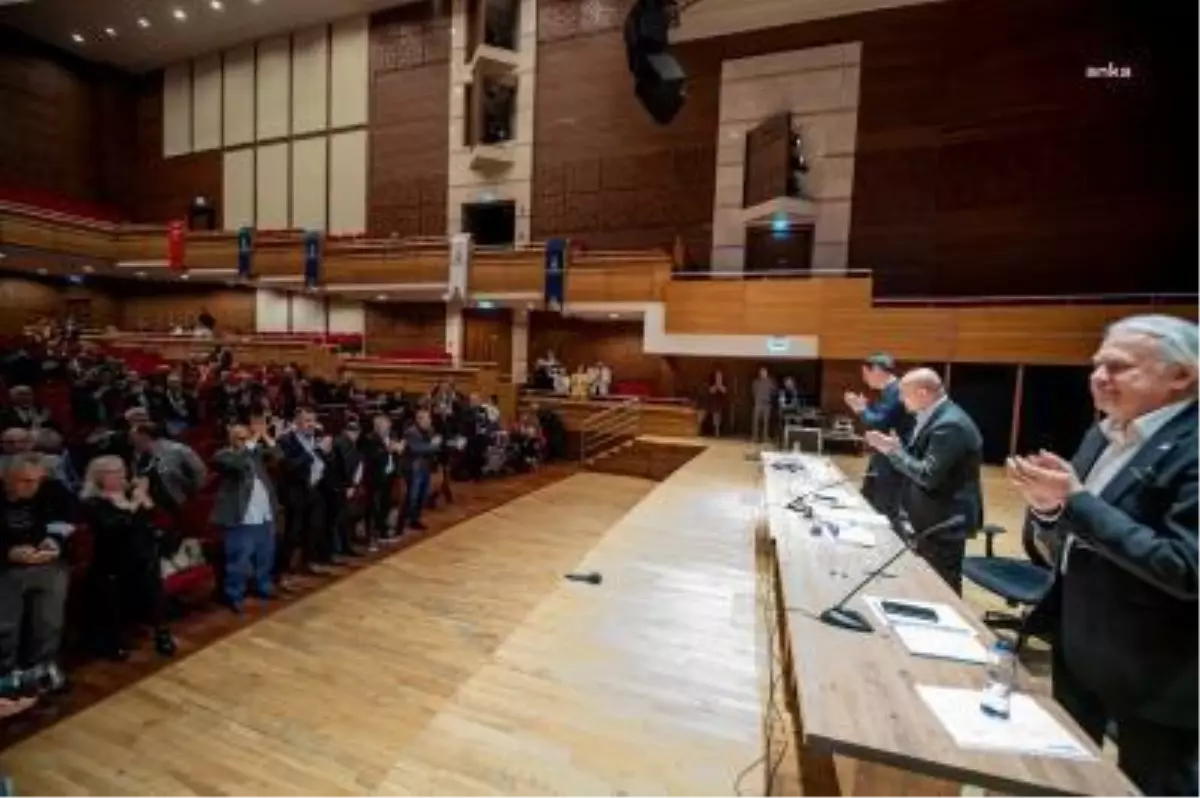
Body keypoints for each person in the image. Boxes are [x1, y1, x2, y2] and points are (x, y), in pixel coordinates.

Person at [1009, 314, 1200, 797]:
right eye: (1097, 365)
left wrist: (1076, 502)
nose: (1099, 377)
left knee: (1154, 784)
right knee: (1067, 773)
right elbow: (1084, 527)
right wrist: (1051, 510)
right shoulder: (1104, 432)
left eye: (1119, 367)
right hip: (1081, 641)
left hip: (1157, 669)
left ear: (1182, 375)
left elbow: (1185, 567)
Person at [864, 368, 983, 595]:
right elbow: (921, 458)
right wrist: (897, 448)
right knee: (928, 584)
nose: (900, 399)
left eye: (903, 393)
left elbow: (928, 475)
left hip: (945, 521)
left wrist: (893, 453)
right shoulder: (935, 417)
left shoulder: (950, 424)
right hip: (931, 516)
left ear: (922, 393)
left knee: (942, 589)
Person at [80, 456, 176, 659]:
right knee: (114, 591)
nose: (121, 476)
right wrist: (135, 503)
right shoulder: (93, 502)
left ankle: (163, 633)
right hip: (113, 560)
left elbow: (160, 519)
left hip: (143, 555)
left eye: (122, 470)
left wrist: (146, 500)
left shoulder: (131, 493)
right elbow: (115, 526)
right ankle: (112, 642)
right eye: (113, 472)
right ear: (98, 477)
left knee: (153, 584)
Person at [0, 454, 69, 693]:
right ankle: (6, 678)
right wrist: (9, 553)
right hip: (6, 569)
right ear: (6, 479)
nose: (32, 487)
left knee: (50, 620)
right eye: (24, 481)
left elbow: (68, 517)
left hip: (43, 562)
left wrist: (54, 541)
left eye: (36, 481)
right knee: (6, 625)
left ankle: (43, 669)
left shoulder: (46, 493)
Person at [211, 420, 279, 611]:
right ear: (231, 439)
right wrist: (252, 442)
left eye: (246, 437)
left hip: (264, 515)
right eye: (240, 438)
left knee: (266, 556)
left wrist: (265, 436)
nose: (245, 441)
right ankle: (234, 595)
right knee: (238, 561)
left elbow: (278, 456)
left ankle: (263, 587)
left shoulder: (255, 454)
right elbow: (239, 463)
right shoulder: (223, 456)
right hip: (241, 518)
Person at [844, 353, 913, 527]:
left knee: (886, 510)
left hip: (892, 460)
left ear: (876, 370)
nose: (864, 378)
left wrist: (860, 409)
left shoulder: (896, 391)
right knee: (869, 499)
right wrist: (866, 408)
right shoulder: (890, 391)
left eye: (865, 373)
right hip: (883, 456)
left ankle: (896, 548)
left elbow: (878, 422)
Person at [276, 408, 332, 576]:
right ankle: (283, 571)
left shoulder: (316, 439)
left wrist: (326, 453)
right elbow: (290, 467)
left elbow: (323, 461)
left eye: (313, 420)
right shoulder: (286, 440)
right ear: (297, 422)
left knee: (314, 529)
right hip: (295, 492)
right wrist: (316, 451)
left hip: (314, 489)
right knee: (293, 534)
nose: (310, 424)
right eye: (307, 420)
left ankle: (307, 563)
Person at [131, 424, 207, 528]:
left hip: (180, 499)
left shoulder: (177, 450)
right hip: (157, 506)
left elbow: (200, 470)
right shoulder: (139, 456)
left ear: (144, 437)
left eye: (134, 438)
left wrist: (195, 491)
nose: (132, 442)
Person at [360, 414, 404, 548]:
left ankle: (382, 533)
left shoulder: (392, 437)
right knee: (373, 509)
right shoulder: (369, 439)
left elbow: (398, 452)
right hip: (374, 479)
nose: (385, 428)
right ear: (375, 427)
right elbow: (372, 457)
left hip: (389, 476)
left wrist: (399, 449)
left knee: (386, 505)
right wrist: (388, 450)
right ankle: (371, 538)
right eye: (381, 426)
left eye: (386, 425)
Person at [325, 420, 364, 560]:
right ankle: (340, 549)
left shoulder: (343, 442)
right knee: (339, 520)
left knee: (341, 520)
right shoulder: (344, 444)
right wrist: (350, 485)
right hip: (340, 487)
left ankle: (342, 547)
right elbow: (346, 466)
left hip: (339, 486)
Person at [402, 408, 442, 533]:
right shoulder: (410, 432)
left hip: (425, 467)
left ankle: (416, 518)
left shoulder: (430, 430)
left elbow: (433, 447)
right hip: (414, 468)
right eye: (426, 418)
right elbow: (417, 449)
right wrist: (434, 445)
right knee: (413, 496)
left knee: (422, 495)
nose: (429, 421)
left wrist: (434, 445)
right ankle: (408, 519)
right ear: (419, 419)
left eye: (429, 418)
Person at [750, 367, 775, 444]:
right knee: (756, 421)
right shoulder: (756, 382)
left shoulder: (770, 382)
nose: (763, 373)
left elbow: (774, 392)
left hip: (767, 404)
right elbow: (753, 392)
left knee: (766, 421)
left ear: (767, 373)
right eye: (761, 372)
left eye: (764, 372)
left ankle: (765, 437)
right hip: (758, 403)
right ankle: (755, 437)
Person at [704, 370, 729, 437]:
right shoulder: (711, 383)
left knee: (720, 416)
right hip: (714, 403)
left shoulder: (724, 382)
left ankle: (719, 430)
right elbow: (711, 391)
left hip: (721, 403)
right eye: (717, 376)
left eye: (719, 376)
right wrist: (716, 385)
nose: (718, 377)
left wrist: (720, 385)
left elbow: (724, 390)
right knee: (715, 416)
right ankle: (716, 431)